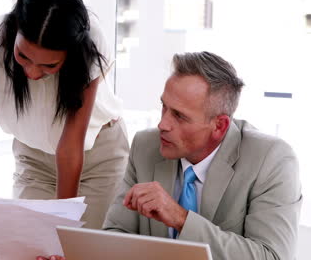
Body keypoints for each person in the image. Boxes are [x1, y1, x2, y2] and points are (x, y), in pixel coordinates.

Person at [101, 51, 302, 259]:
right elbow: (115, 235)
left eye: (179, 116)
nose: (163, 124)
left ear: (219, 126)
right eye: (164, 107)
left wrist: (180, 218)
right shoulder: (145, 147)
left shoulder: (272, 160)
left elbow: (272, 256)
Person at [0, 0, 129, 229]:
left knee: (82, 248)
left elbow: (71, 144)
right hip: (33, 159)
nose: (32, 73)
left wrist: (64, 229)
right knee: (31, 247)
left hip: (98, 159)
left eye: (49, 66)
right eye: (23, 56)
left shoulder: (90, 39)